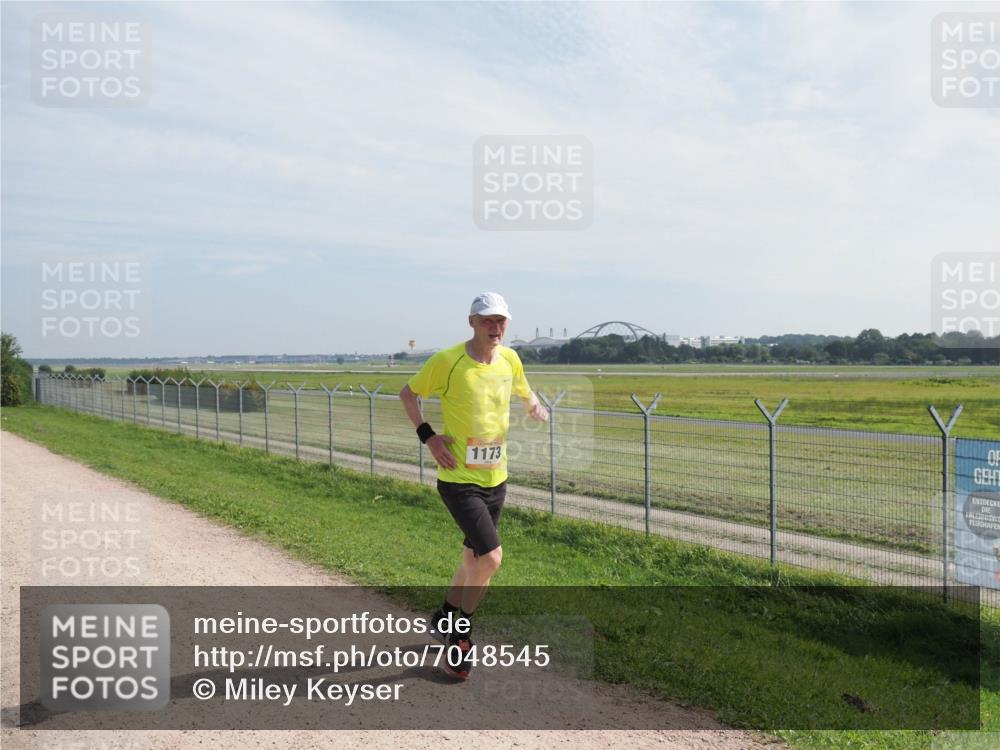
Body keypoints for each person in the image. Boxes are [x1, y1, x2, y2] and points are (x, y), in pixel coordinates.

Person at [399, 292, 549, 680]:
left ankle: (445, 616)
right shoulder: (448, 361)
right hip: (458, 480)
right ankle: (460, 635)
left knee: (472, 559)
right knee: (492, 558)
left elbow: (522, 389)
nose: (496, 328)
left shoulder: (511, 359)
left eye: (501, 322)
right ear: (471, 322)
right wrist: (429, 437)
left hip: (496, 478)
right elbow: (408, 394)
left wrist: (535, 406)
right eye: (487, 321)